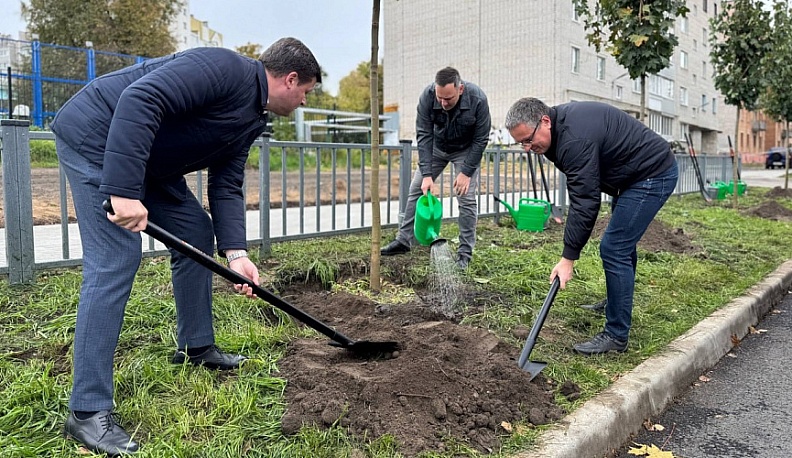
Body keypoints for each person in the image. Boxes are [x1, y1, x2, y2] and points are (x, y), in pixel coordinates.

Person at [51, 38, 321, 455]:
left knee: (196, 230)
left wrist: (237, 254)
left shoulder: (253, 118)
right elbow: (141, 97)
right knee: (116, 256)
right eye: (307, 92)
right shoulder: (222, 67)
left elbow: (227, 184)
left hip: (147, 163)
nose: (304, 102)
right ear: (290, 80)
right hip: (95, 137)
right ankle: (86, 411)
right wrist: (123, 190)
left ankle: (196, 346)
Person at [504, 98, 678, 355]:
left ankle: (617, 335)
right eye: (521, 144)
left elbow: (585, 201)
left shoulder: (574, 138)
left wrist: (568, 258)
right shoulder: (561, 130)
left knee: (614, 248)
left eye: (528, 140)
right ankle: (617, 302)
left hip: (652, 174)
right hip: (631, 176)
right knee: (622, 244)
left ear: (545, 121)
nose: (528, 148)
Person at [380, 67, 491, 269]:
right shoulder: (428, 96)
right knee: (416, 189)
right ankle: (404, 240)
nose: (443, 103)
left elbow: (481, 138)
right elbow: (423, 134)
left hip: (465, 152)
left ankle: (465, 253)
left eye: (448, 99)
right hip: (436, 149)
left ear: (461, 89)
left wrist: (466, 172)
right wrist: (427, 174)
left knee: (466, 198)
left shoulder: (478, 99)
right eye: (440, 98)